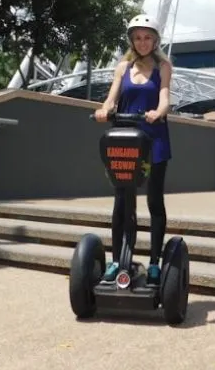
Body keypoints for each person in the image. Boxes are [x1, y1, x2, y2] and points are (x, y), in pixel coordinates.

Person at [94, 14, 173, 285]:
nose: (142, 42)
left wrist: (159, 112)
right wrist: (104, 110)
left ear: (155, 40)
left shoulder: (163, 66)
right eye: (137, 37)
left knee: (154, 200)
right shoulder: (123, 67)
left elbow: (164, 97)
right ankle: (117, 260)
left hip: (154, 139)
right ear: (131, 40)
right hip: (126, 140)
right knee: (122, 202)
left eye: (147, 37)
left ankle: (154, 262)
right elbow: (111, 98)